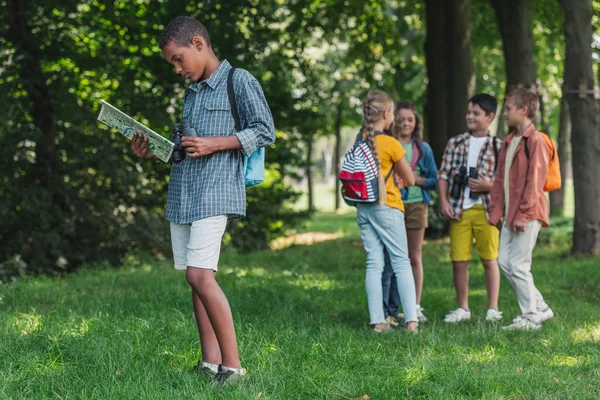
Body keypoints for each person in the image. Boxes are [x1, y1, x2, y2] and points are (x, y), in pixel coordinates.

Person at [131, 16, 275, 382]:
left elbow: (264, 130)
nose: (177, 69)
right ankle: (210, 362)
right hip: (184, 191)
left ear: (198, 43)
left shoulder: (238, 80)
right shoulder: (191, 93)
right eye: (172, 64)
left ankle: (234, 366)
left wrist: (217, 143)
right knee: (194, 278)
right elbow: (185, 149)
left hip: (217, 190)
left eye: (178, 59)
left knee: (200, 275)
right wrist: (154, 152)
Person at [489, 87, 554, 331]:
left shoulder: (535, 140)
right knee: (504, 262)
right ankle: (541, 307)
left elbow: (536, 182)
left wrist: (524, 214)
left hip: (527, 213)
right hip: (510, 214)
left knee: (518, 264)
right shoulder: (509, 141)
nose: (504, 113)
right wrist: (497, 213)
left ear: (523, 110)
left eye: (508, 109)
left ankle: (531, 316)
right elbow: (499, 181)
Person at [354, 90, 418, 333]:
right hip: (388, 206)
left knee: (374, 263)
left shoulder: (360, 139)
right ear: (387, 114)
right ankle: (411, 321)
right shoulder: (390, 143)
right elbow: (410, 179)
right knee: (401, 262)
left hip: (364, 208)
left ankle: (378, 322)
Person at [438, 94, 503, 323]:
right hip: (459, 208)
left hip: (486, 210)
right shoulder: (455, 143)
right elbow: (444, 173)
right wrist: (444, 201)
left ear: (490, 117)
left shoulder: (498, 146)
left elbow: (505, 180)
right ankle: (462, 308)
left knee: (489, 258)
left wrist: (489, 185)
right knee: (459, 259)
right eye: (469, 112)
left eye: (476, 113)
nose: (470, 117)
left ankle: (493, 308)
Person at [381, 101, 438, 324]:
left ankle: (414, 305)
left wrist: (413, 180)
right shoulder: (388, 144)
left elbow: (434, 179)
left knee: (414, 256)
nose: (406, 123)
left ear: (416, 123)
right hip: (393, 206)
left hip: (417, 206)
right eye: (401, 119)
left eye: (410, 119)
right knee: (393, 258)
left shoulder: (423, 150)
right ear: (394, 120)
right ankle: (390, 307)